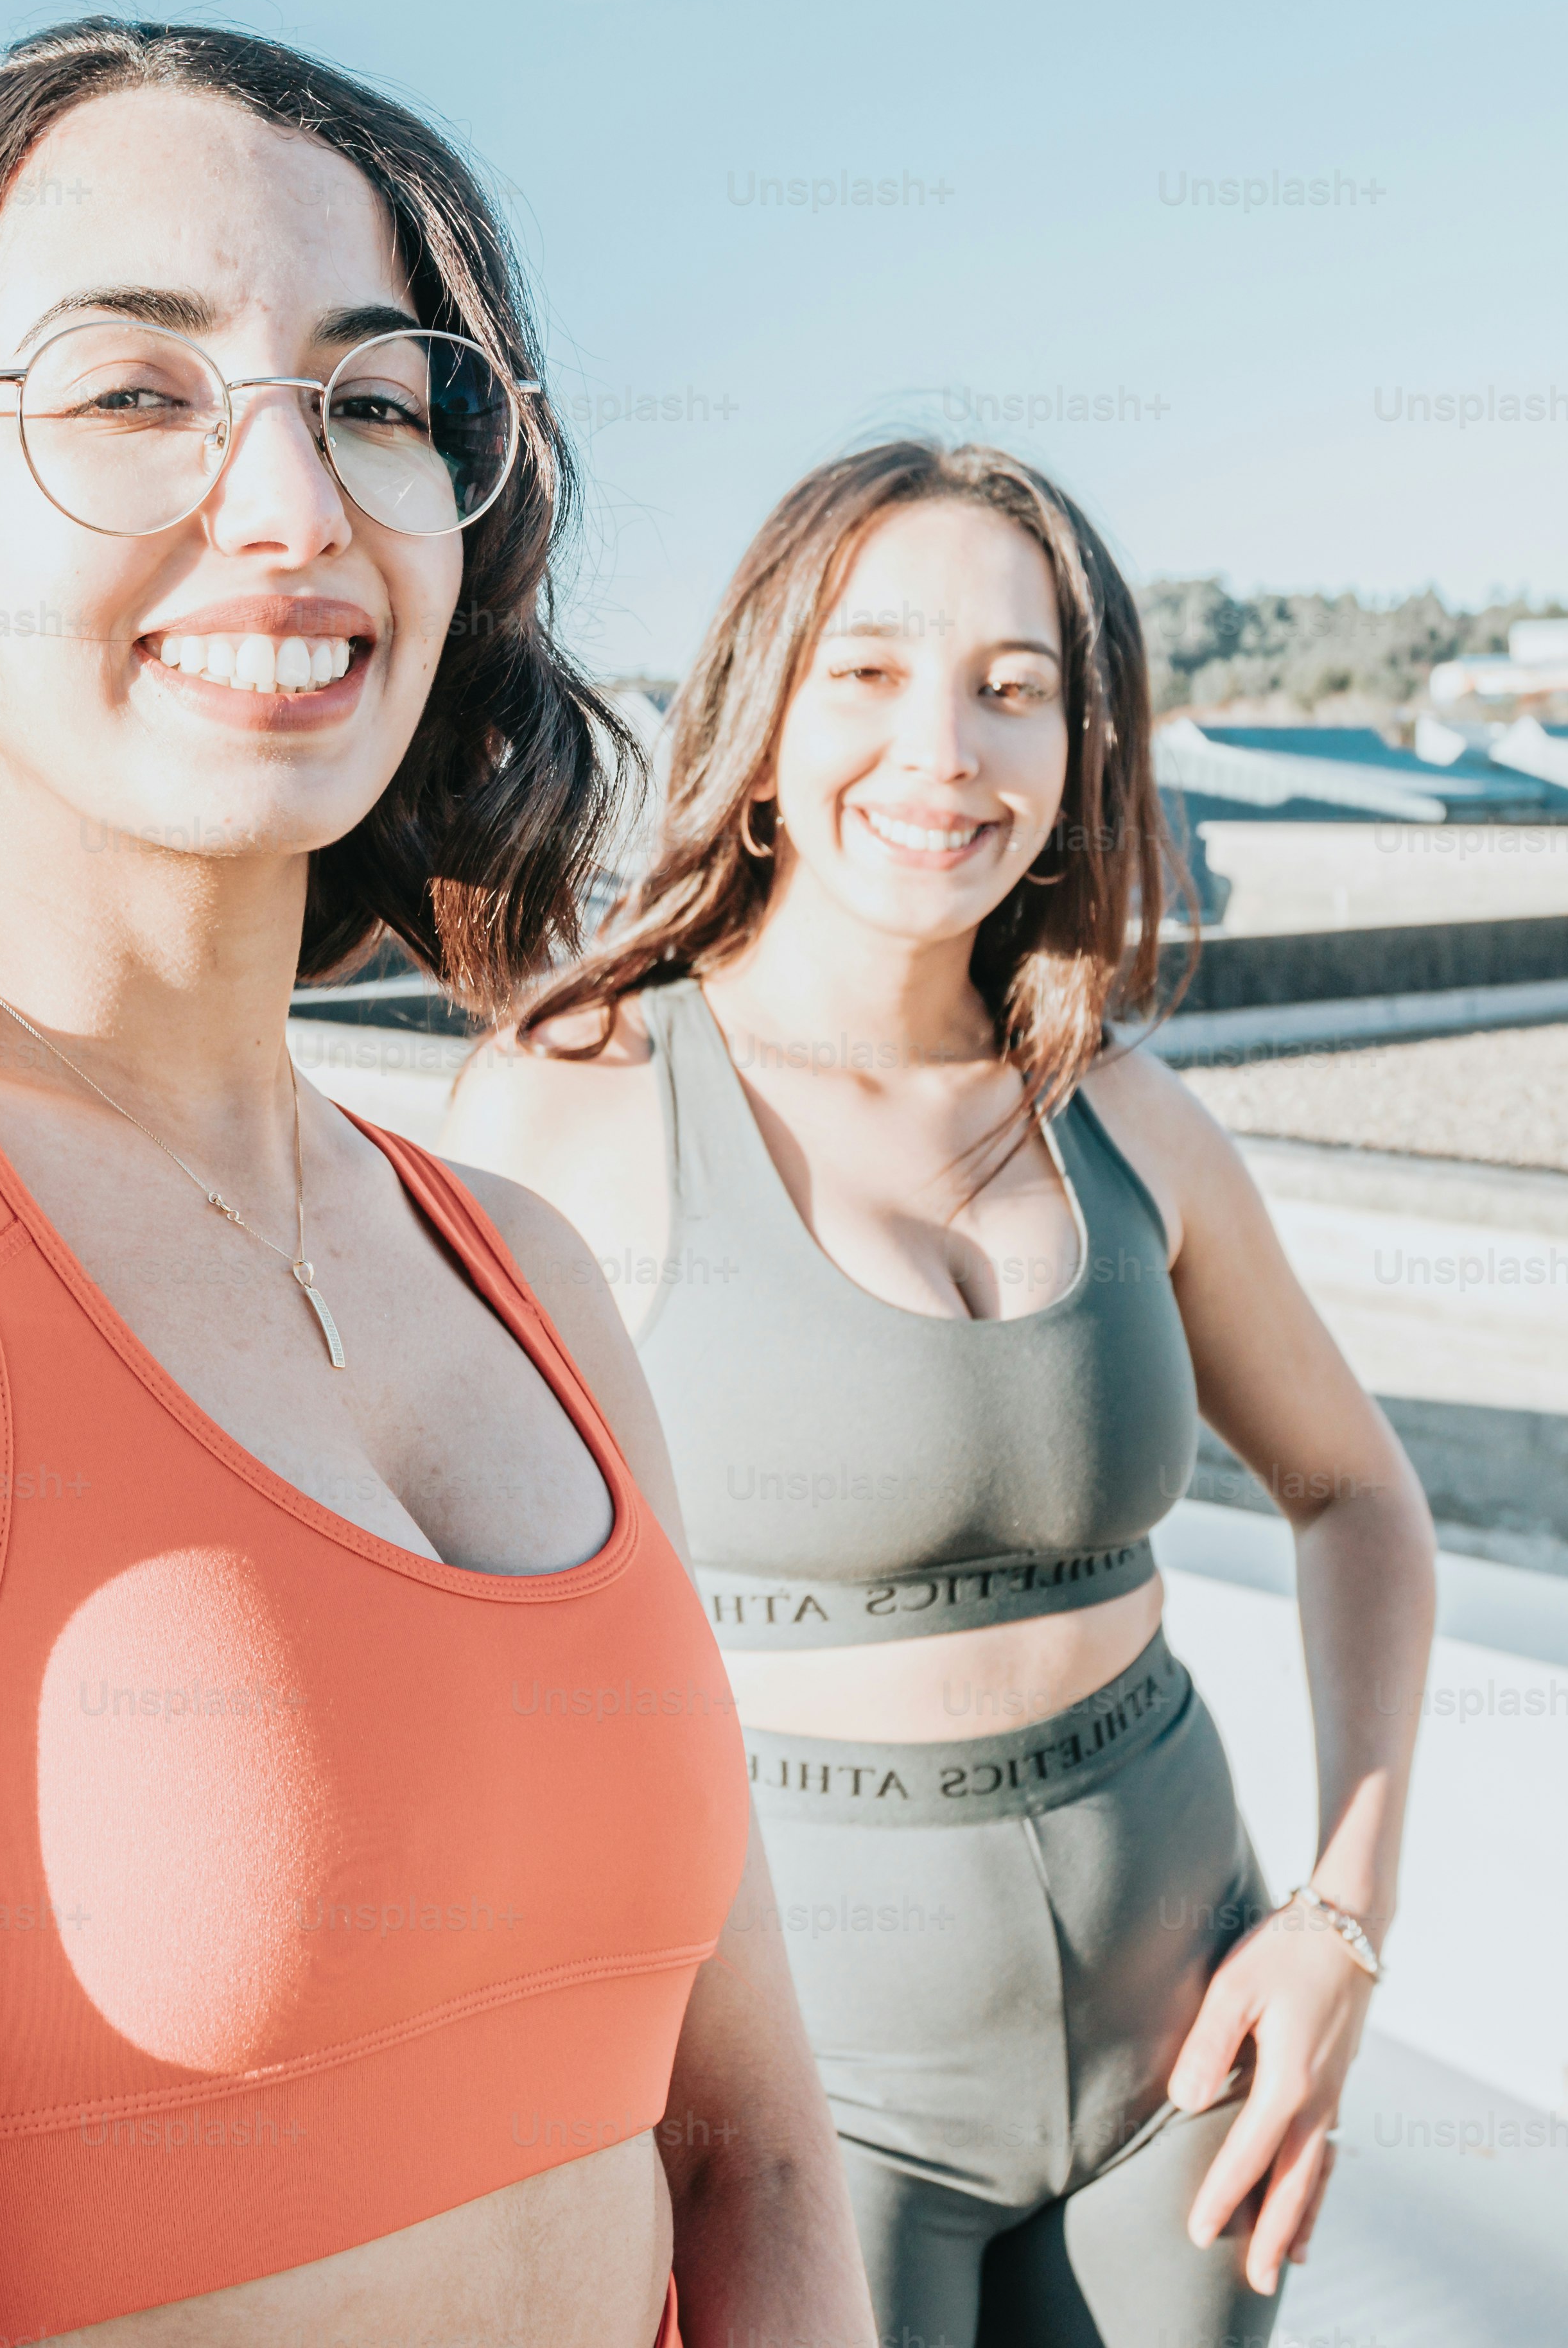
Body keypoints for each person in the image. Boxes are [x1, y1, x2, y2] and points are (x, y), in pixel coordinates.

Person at [0, 20, 873, 2348]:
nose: (293, 505)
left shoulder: (520, 1273)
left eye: (377, 400)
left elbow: (755, 2155)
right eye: (135, 395)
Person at [441, 441, 1438, 2347]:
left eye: (1014, 690)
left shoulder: (1132, 1122)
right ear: (761, 708)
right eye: (872, 672)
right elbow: (480, 1652)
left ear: (1083, 746)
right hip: (807, 2092)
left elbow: (1358, 1498)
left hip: (1188, 2052)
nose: (946, 751)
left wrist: (1340, 1925)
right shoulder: (575, 1098)